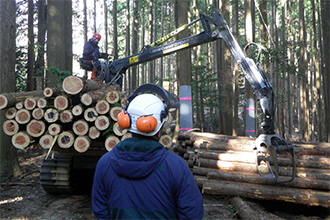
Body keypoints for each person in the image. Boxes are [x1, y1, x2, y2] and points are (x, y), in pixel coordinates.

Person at [92, 84, 204, 220]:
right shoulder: (175, 166)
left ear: (126, 121)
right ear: (159, 129)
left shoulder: (105, 163)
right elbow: (192, 214)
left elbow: (101, 211)